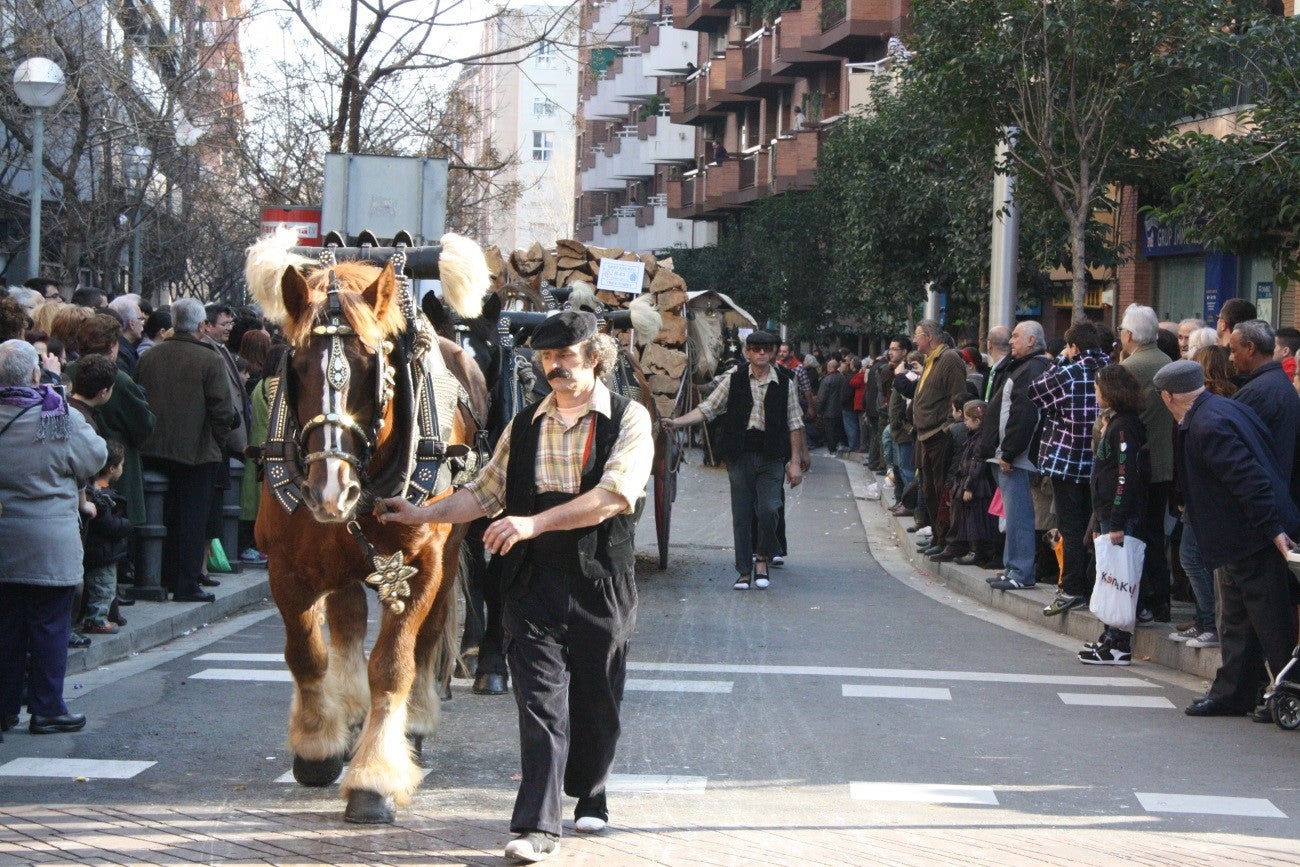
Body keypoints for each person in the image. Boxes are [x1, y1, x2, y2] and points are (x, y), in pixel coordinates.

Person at [377, 311, 653, 863]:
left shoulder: (629, 419)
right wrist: (422, 511)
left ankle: (591, 790)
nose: (555, 369)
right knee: (539, 704)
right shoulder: (525, 423)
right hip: (531, 582)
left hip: (600, 580)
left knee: (597, 701)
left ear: (593, 357)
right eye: (547, 359)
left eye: (566, 358)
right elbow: (482, 493)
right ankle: (537, 826)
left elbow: (613, 497)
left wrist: (534, 522)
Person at [1153, 360, 1300, 717]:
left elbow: (1249, 480)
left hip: (1252, 536)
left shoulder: (1208, 424)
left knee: (1269, 621)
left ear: (1168, 396)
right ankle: (1235, 691)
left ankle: (1288, 691)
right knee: (1239, 619)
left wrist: (1274, 531)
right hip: (1242, 536)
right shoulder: (1223, 408)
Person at [0, 339, 107, 735]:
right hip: (48, 539)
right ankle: (46, 707)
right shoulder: (55, 415)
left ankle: (4, 705)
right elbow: (94, 456)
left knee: (6, 627)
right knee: (48, 626)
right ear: (34, 374)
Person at [664, 330, 807, 590]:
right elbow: (709, 408)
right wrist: (676, 422)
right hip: (740, 455)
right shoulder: (734, 378)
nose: (761, 353)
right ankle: (744, 570)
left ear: (774, 352)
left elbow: (795, 423)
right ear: (747, 352)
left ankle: (762, 557)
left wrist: (795, 461)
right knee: (741, 513)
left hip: (772, 455)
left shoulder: (787, 382)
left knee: (769, 509)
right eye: (755, 348)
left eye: (766, 349)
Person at [135, 298, 237, 603]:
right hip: (197, 454)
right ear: (201, 325)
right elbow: (222, 410)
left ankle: (159, 576)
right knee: (192, 522)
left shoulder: (150, 357)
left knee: (161, 516)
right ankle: (186, 583)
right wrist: (216, 443)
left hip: (154, 448)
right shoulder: (209, 359)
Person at [1028, 320, 1109, 616]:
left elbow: (1035, 392)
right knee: (1097, 527)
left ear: (1073, 347)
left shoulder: (1068, 372)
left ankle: (1072, 587)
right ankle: (1093, 585)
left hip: (1068, 460)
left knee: (1071, 528)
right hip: (1100, 461)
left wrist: (1061, 359)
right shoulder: (1110, 370)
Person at [1077, 365, 1147, 665]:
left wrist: (1116, 521)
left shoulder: (1123, 427)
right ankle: (1110, 637)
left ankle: (1119, 643)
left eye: (1098, 387)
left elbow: (1123, 475)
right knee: (1109, 574)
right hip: (1108, 512)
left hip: (1118, 514)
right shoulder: (1118, 423)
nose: (1095, 393)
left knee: (1118, 577)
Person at [981, 321, 1052, 590]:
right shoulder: (1026, 366)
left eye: (1016, 336)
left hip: (1017, 456)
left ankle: (1020, 572)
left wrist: (1009, 452)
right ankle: (1013, 567)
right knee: (1013, 515)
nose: (1011, 340)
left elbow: (1024, 414)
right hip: (1013, 454)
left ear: (1032, 341)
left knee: (1019, 515)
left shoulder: (1032, 368)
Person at [1118, 304, 1175, 624]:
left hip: (1137, 462)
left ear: (1129, 335)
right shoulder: (1168, 362)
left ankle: (1141, 600)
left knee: (1135, 534)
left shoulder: (1130, 368)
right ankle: (1161, 600)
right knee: (1155, 533)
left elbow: (1112, 415)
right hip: (1163, 461)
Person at [910, 321, 969, 559]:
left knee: (941, 489)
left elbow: (958, 397)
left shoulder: (949, 359)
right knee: (929, 490)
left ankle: (946, 538)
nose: (914, 341)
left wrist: (947, 428)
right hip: (925, 435)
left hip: (938, 435)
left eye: (917, 336)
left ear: (930, 337)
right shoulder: (931, 360)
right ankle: (937, 535)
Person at [81, 442, 131, 635]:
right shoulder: (102, 496)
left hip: (101, 550)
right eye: (121, 465)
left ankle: (101, 616)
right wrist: (126, 525)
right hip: (103, 551)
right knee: (103, 586)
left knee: (102, 585)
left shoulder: (95, 491)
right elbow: (108, 524)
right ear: (111, 468)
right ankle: (96, 619)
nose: (122, 469)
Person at [816, 357, 846, 454]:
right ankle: (839, 445)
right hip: (841, 409)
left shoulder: (826, 380)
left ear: (829, 367)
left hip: (829, 410)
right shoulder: (843, 377)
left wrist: (819, 409)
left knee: (830, 431)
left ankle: (832, 449)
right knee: (838, 429)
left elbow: (822, 397)